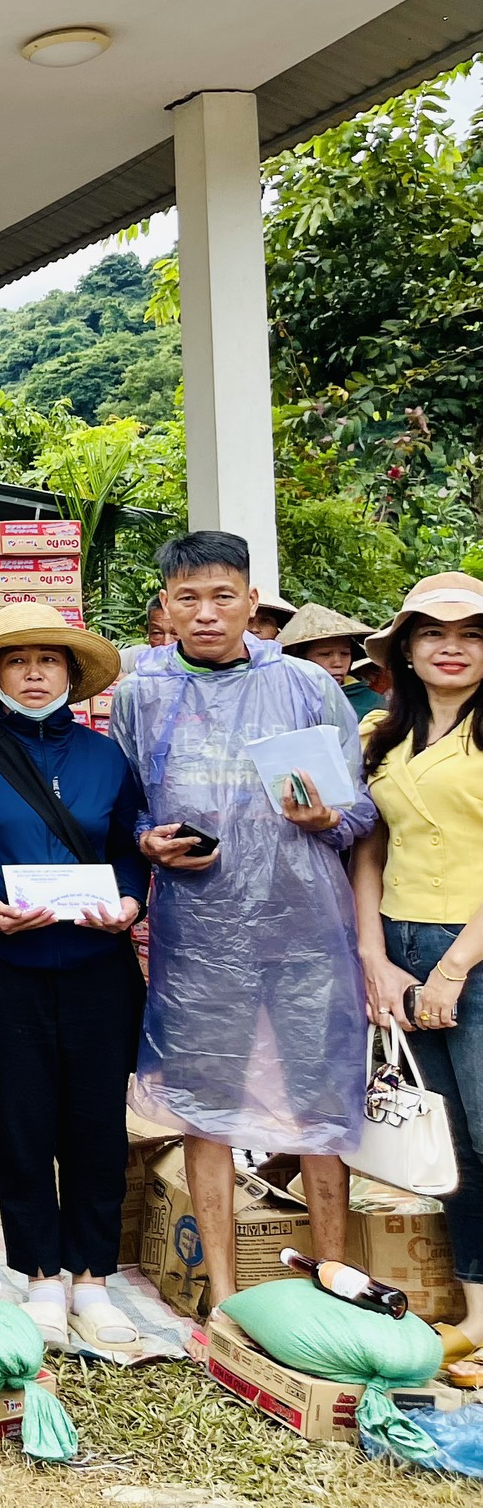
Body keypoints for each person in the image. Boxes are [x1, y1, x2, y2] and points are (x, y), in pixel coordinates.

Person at [112, 531, 374, 1314]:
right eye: (187, 598)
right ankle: (222, 1298)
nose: (206, 612)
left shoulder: (303, 686)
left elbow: (358, 812)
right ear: (164, 609)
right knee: (206, 1105)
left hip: (307, 929)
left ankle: (334, 1282)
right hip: (201, 935)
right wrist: (143, 841)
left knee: (318, 1105)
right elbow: (120, 804)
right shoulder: (141, 692)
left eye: (223, 595)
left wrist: (326, 814)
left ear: (253, 602)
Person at [0, 602, 148, 1350]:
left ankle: (94, 1279)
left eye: (51, 661)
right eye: (19, 661)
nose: (36, 673)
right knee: (20, 1125)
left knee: (95, 1129)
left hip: (96, 968)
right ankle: (42, 1275)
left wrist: (132, 900)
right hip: (1, 965)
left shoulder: (105, 756)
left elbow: (129, 845)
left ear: (73, 676)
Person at [353, 573, 483, 1341]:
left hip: (471, 949)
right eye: (434, 633)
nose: (453, 648)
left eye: (471, 635)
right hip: (402, 944)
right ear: (406, 647)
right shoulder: (384, 735)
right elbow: (370, 847)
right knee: (450, 1142)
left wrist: (455, 967)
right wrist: (375, 956)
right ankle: (474, 1309)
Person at [279, 604, 384, 722]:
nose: (338, 663)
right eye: (325, 654)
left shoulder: (375, 704)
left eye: (345, 654)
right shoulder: (281, 700)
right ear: (300, 659)